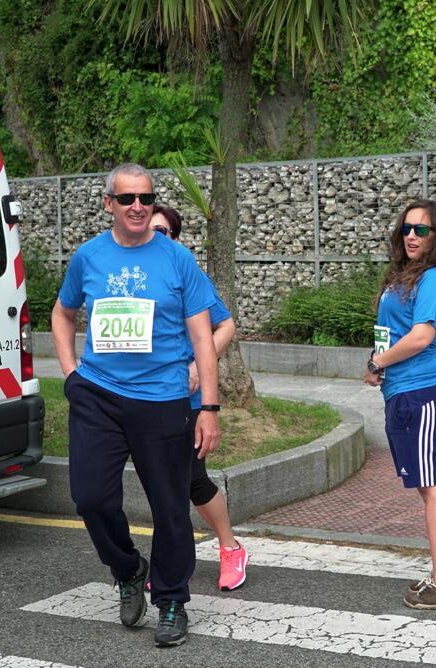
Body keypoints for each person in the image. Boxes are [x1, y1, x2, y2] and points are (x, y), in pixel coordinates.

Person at [51, 163, 222, 648]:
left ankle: (171, 599)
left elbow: (203, 337)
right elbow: (62, 314)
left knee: (169, 507)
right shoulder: (88, 257)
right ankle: (128, 570)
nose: (138, 207)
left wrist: (207, 406)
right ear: (109, 203)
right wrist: (70, 375)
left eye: (146, 198)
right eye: (127, 199)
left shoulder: (177, 259)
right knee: (90, 497)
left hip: (163, 400)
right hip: (98, 396)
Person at [363, 200, 436, 609]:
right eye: (406, 228)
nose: (411, 235)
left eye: (421, 230)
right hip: (407, 391)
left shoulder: (435, 279)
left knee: (434, 487)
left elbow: (422, 336)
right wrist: (378, 361)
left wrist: (378, 362)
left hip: (421, 393)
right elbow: (395, 331)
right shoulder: (409, 275)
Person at [149, 204, 250, 590]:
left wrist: (196, 364)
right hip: (147, 398)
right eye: (152, 231)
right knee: (161, 481)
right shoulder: (134, 276)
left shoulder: (184, 272)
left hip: (186, 398)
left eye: (165, 232)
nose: (156, 238)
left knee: (191, 479)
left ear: (176, 238)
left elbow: (225, 325)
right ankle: (173, 561)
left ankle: (230, 548)